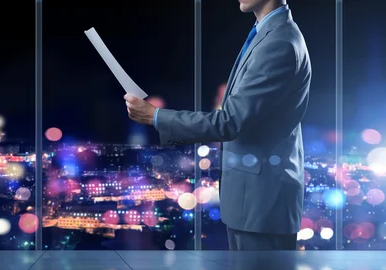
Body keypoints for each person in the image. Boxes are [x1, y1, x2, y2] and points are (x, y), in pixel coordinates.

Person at [125, 0, 311, 250]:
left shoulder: (278, 42)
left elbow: (230, 122)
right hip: (255, 201)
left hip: (262, 205)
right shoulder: (269, 34)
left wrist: (156, 117)